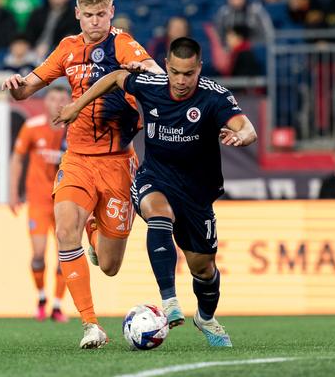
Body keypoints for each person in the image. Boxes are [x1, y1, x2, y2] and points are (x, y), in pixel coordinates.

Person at [54, 37, 257, 347]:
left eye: (188, 74)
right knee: (157, 212)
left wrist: (242, 136)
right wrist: (76, 106)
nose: (180, 80)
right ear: (166, 67)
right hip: (155, 177)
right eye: (174, 72)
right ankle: (169, 301)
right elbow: (114, 77)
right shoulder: (151, 85)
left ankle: (204, 317)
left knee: (203, 268)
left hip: (196, 193)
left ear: (199, 69)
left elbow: (247, 127)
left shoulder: (213, 96)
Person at [0, 0, 164, 349]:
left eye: (101, 14)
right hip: (77, 159)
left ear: (112, 13)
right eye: (88, 14)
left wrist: (143, 75)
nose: (94, 21)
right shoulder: (67, 48)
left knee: (109, 265)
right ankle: (91, 325)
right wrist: (15, 87)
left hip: (118, 163)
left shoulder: (123, 44)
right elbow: (28, 88)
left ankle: (94, 231)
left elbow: (155, 74)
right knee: (64, 227)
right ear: (77, 14)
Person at [9, 86, 71, 322]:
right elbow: (17, 158)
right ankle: (41, 297)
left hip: (66, 201)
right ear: (45, 103)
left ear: (70, 101)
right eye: (53, 98)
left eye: (62, 99)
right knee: (38, 254)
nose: (57, 103)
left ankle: (57, 304)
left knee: (65, 253)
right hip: (38, 200)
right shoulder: (32, 127)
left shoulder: (75, 129)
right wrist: (13, 192)